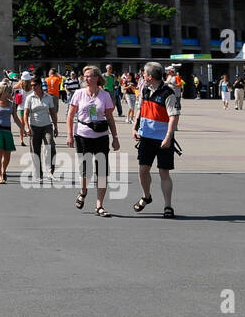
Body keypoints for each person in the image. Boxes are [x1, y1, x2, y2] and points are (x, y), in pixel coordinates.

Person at [66, 65, 120, 217]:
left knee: (102, 172)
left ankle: (99, 205)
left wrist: (115, 138)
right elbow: (70, 116)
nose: (86, 78)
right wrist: (69, 135)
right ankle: (83, 192)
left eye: (89, 76)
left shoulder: (104, 95)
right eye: (85, 76)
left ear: (97, 78)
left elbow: (109, 117)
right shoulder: (78, 93)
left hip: (101, 136)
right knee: (86, 171)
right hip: (82, 136)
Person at [132, 62, 182, 217]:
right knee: (143, 170)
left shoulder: (168, 93)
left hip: (162, 139)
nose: (142, 76)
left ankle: (168, 206)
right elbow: (140, 109)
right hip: (146, 137)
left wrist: (168, 136)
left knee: (163, 172)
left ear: (150, 76)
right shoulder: (145, 89)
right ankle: (146, 196)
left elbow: (174, 116)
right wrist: (135, 127)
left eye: (144, 74)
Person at [0, 82, 27, 184]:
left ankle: (4, 170)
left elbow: (15, 118)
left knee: (7, 155)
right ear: (3, 92)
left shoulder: (12, 104)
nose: (11, 94)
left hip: (7, 131)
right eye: (9, 92)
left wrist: (23, 129)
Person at [22, 76, 56, 182]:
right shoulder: (29, 98)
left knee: (50, 145)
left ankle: (50, 171)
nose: (32, 87)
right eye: (31, 85)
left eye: (34, 85)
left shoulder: (48, 97)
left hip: (47, 125)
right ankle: (38, 175)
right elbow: (25, 114)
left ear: (40, 85)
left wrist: (56, 126)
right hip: (34, 126)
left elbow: (53, 113)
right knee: (35, 151)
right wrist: (26, 127)